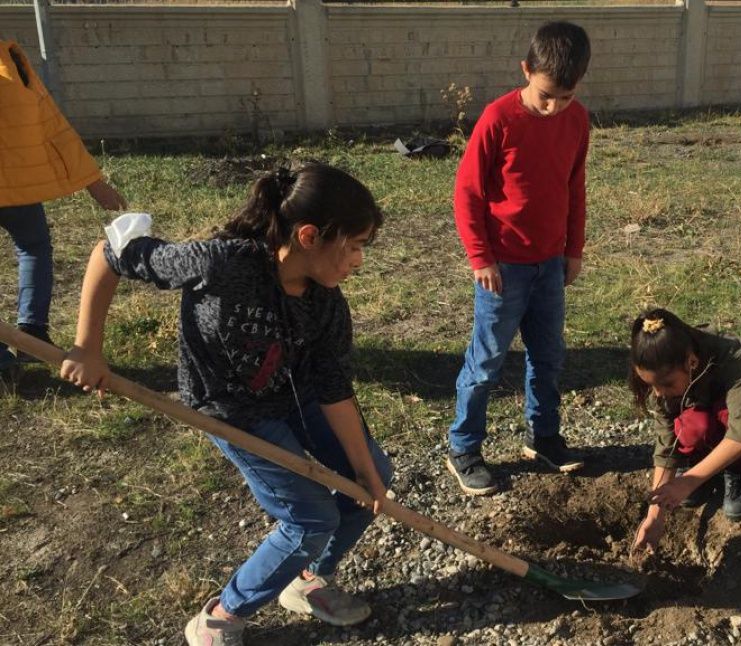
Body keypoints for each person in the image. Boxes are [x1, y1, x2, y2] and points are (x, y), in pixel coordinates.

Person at [59, 164, 392, 646]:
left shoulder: (326, 303)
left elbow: (333, 387)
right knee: (310, 517)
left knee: (370, 484)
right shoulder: (221, 264)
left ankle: (306, 580)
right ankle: (221, 616)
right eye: (355, 245)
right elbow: (112, 252)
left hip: (295, 396)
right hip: (232, 411)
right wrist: (87, 348)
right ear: (309, 236)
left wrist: (365, 472)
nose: (359, 260)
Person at [446, 21, 591, 495]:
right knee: (486, 360)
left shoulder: (577, 120)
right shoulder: (497, 118)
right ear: (527, 70)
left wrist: (573, 249)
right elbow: (467, 192)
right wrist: (480, 257)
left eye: (565, 97)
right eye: (546, 95)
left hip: (549, 264)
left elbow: (574, 187)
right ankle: (464, 447)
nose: (554, 107)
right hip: (502, 268)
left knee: (548, 356)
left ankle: (544, 437)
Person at [0, 39, 127, 370]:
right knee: (33, 247)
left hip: (17, 188)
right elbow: (54, 127)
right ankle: (32, 333)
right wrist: (95, 184)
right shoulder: (13, 63)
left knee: (34, 246)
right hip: (19, 190)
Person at [627, 309, 741, 557]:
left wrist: (686, 482)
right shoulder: (663, 371)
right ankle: (701, 465)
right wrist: (655, 515)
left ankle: (737, 471)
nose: (658, 393)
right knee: (690, 426)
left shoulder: (733, 354)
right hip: (707, 419)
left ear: (691, 362)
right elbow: (666, 442)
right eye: (651, 386)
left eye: (666, 384)